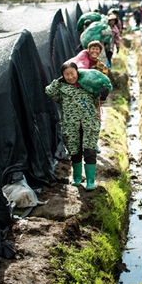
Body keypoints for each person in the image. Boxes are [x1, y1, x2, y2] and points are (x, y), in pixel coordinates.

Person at [44, 61, 109, 191]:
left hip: (89, 124)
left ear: (77, 72)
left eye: (72, 73)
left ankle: (90, 181)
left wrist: (104, 95)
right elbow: (49, 91)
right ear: (62, 75)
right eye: (66, 74)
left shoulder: (88, 86)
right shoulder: (62, 90)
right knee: (75, 152)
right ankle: (77, 178)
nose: (70, 77)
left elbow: (99, 98)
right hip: (70, 126)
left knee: (90, 151)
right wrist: (59, 81)